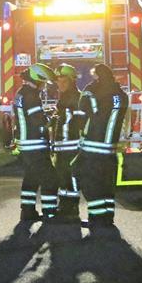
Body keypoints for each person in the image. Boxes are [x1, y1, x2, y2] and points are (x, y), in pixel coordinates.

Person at [73, 63, 129, 227]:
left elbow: (81, 115)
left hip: (92, 146)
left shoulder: (92, 91)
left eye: (94, 76)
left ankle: (96, 219)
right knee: (106, 184)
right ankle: (107, 218)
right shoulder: (121, 95)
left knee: (90, 183)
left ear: (98, 76)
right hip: (110, 149)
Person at [13, 62, 57, 221]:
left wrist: (45, 112)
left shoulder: (21, 93)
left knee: (31, 178)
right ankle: (50, 213)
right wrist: (52, 118)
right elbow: (38, 120)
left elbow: (30, 114)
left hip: (26, 144)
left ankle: (27, 212)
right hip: (35, 144)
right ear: (37, 80)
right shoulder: (31, 96)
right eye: (43, 82)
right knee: (50, 178)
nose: (44, 86)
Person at [49, 64, 86, 221]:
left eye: (63, 81)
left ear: (72, 81)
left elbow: (81, 122)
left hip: (72, 146)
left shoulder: (77, 98)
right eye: (58, 81)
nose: (60, 84)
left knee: (71, 178)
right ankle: (64, 206)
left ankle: (72, 208)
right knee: (62, 178)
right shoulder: (63, 98)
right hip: (61, 147)